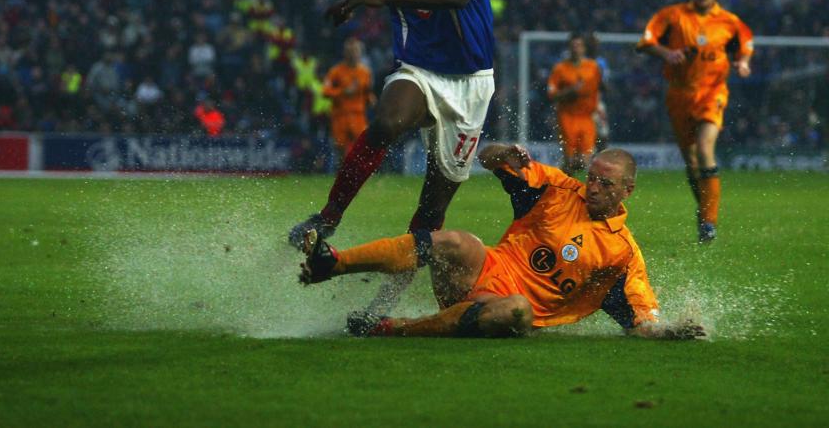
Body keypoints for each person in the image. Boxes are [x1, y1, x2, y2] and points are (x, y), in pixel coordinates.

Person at [298, 144, 704, 340]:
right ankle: (332, 263)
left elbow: (641, 322)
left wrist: (672, 331)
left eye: (605, 183)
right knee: (459, 241)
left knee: (518, 310)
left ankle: (394, 328)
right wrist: (503, 151)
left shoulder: (621, 255)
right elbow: (490, 159)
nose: (593, 187)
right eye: (592, 177)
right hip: (484, 272)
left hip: (506, 310)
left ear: (627, 190)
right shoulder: (558, 189)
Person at [287, 0, 495, 249]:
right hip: (419, 69)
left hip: (471, 81)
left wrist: (383, 0)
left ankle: (386, 299)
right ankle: (327, 218)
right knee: (387, 121)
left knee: (432, 208)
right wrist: (345, 5)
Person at [637, 0, 753, 242]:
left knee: (704, 149)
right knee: (690, 162)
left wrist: (743, 62)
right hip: (679, 95)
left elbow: (745, 46)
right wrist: (667, 53)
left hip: (713, 93)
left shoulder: (729, 22)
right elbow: (644, 42)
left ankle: (709, 221)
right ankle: (703, 212)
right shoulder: (673, 15)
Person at [547, 33, 602, 174]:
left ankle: (559, 175)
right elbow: (551, 95)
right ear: (569, 48)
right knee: (570, 161)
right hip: (567, 117)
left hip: (587, 117)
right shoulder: (560, 69)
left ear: (584, 48)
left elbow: (598, 89)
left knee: (584, 162)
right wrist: (569, 92)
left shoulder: (593, 67)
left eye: (579, 45)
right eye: (573, 46)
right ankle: (563, 185)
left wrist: (600, 109)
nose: (576, 49)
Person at [322, 37, 375, 160]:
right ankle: (343, 174)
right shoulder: (335, 71)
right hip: (340, 115)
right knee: (340, 150)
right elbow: (325, 91)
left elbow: (367, 92)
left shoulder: (365, 72)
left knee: (362, 147)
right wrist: (343, 92)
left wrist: (370, 98)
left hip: (358, 115)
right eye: (350, 51)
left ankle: (359, 174)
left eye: (355, 51)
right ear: (344, 53)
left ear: (360, 53)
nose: (353, 54)